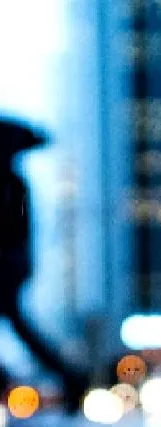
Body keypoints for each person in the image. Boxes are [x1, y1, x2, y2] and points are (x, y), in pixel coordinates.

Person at [0, 117, 88, 410]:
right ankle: (70, 378)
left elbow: (17, 231)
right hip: (13, 264)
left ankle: (70, 378)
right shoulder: (14, 182)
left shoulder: (11, 184)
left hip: (7, 266)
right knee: (21, 327)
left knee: (21, 326)